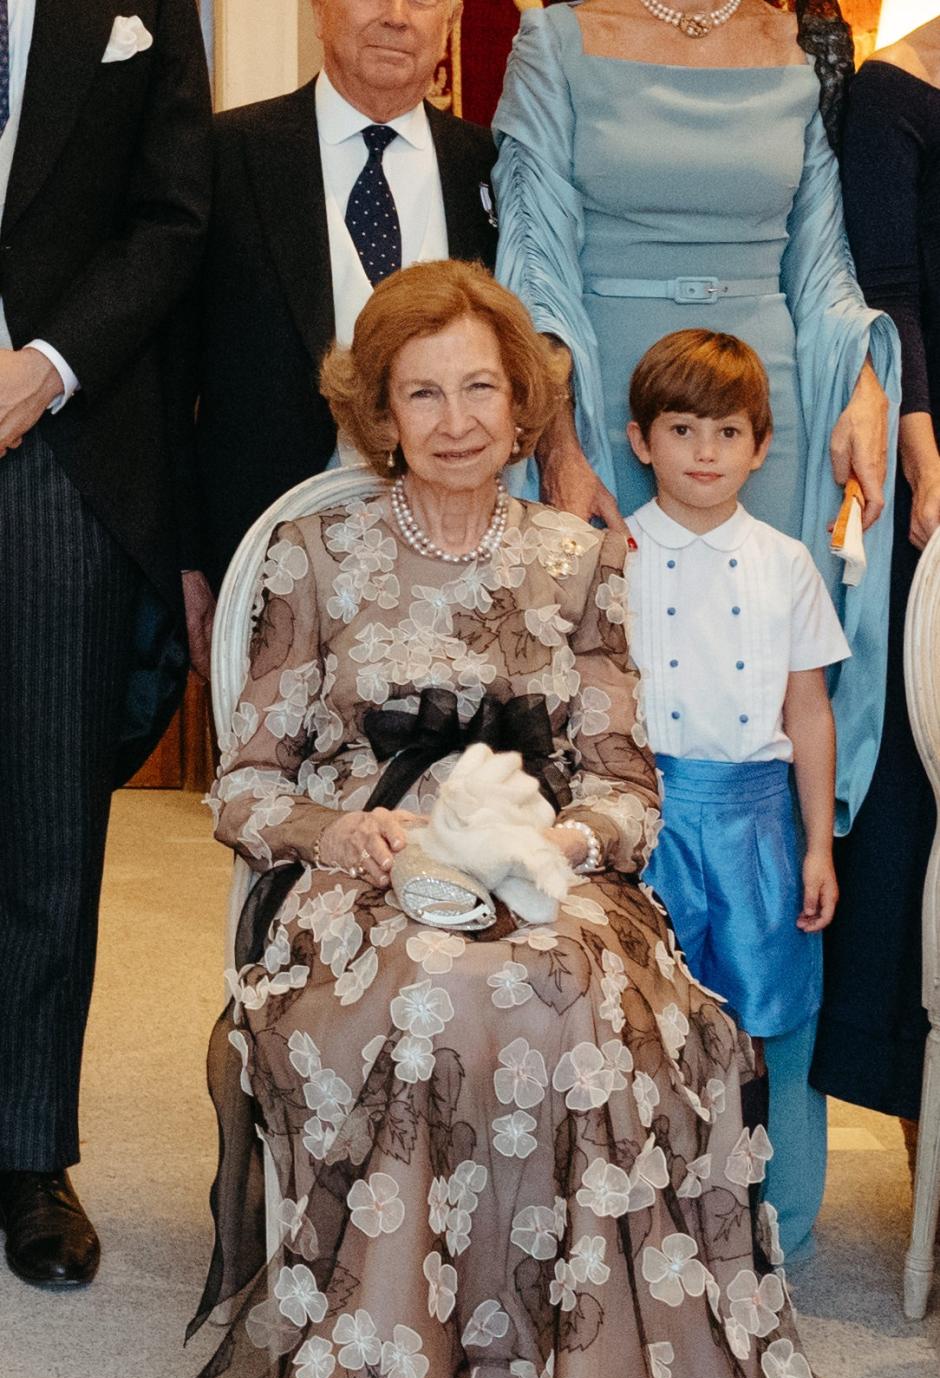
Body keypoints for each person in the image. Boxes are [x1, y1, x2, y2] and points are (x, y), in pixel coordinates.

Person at [160, 261, 937, 1378]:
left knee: (576, 994)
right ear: (381, 410)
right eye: (424, 392)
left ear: (522, 406)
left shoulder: (578, 558)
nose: (457, 417)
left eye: (482, 387)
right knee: (437, 998)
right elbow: (242, 784)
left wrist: (565, 840)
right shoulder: (318, 552)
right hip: (372, 884)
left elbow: (634, 787)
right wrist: (340, 831)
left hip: (547, 880)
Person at [491, 0, 899, 1259]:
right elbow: (535, 250)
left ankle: (765, 1175)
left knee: (768, 714)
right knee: (619, 710)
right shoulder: (554, 38)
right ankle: (611, 1152)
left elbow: (819, 263)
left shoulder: (801, 39)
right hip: (614, 396)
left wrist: (867, 377)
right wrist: (558, 433)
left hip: (759, 393)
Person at [0, 1, 211, 1288]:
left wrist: (44, 365)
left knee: (46, 822)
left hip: (61, 443)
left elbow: (173, 213)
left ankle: (28, 1150)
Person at [180, 0, 498, 676]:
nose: (395, 15)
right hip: (261, 569)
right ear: (317, 10)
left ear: (451, 20)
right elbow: (166, 379)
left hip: (460, 578)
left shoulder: (488, 167)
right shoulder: (224, 155)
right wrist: (186, 563)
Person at [626, 328, 847, 1130]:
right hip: (648, 816)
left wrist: (817, 845)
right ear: (641, 441)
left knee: (749, 1023)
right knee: (644, 1016)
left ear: (760, 448)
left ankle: (742, 1210)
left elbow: (810, 711)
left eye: (728, 432)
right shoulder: (611, 553)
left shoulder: (786, 562)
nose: (705, 452)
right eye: (682, 429)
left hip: (757, 823)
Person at [811, 20, 940, 1153]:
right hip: (936, 477)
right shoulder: (893, 98)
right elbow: (885, 289)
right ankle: (928, 1143)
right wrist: (918, 442)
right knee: (918, 801)